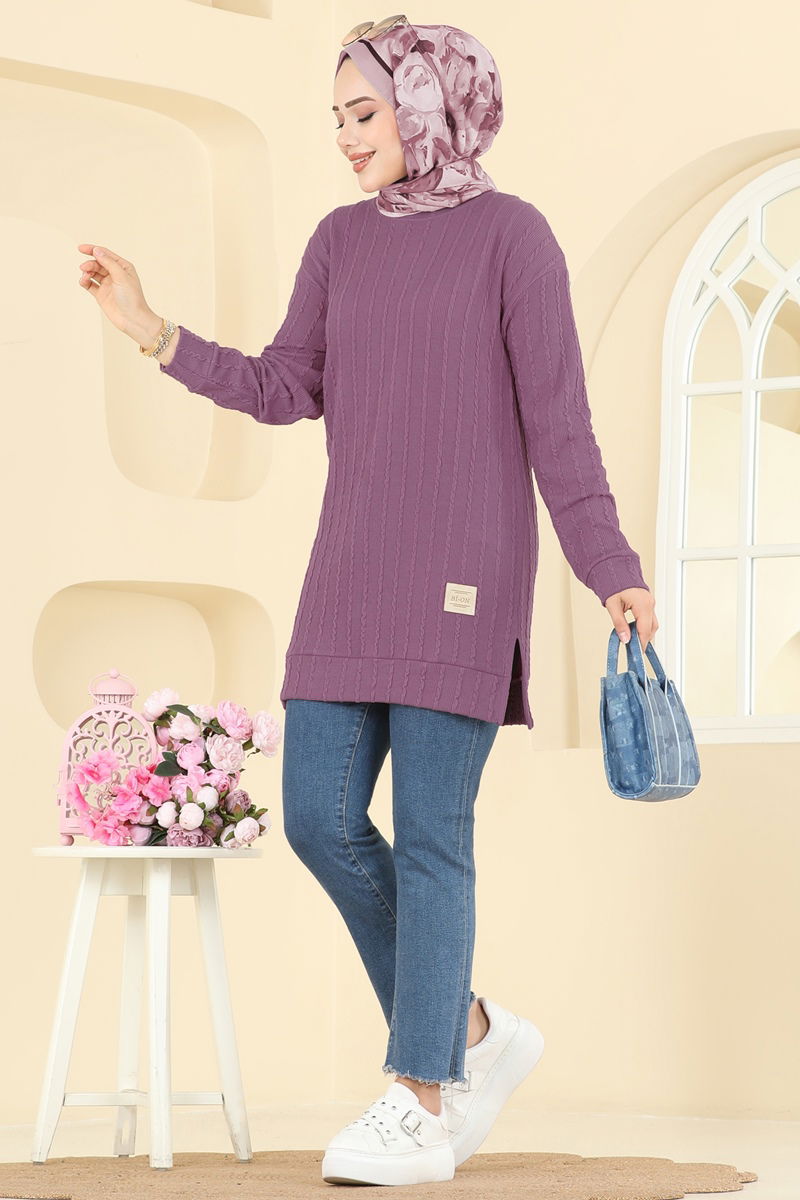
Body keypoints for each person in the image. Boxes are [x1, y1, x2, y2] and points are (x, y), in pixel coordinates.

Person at [76, 15, 658, 1187]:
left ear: (428, 103)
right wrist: (151, 332)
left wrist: (612, 568)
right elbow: (283, 385)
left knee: (434, 839)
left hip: (461, 581)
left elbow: (559, 425)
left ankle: (419, 1100)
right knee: (316, 820)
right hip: (348, 578)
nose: (345, 138)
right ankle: (472, 1032)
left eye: (363, 112)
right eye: (335, 118)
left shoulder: (512, 238)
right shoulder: (340, 243)